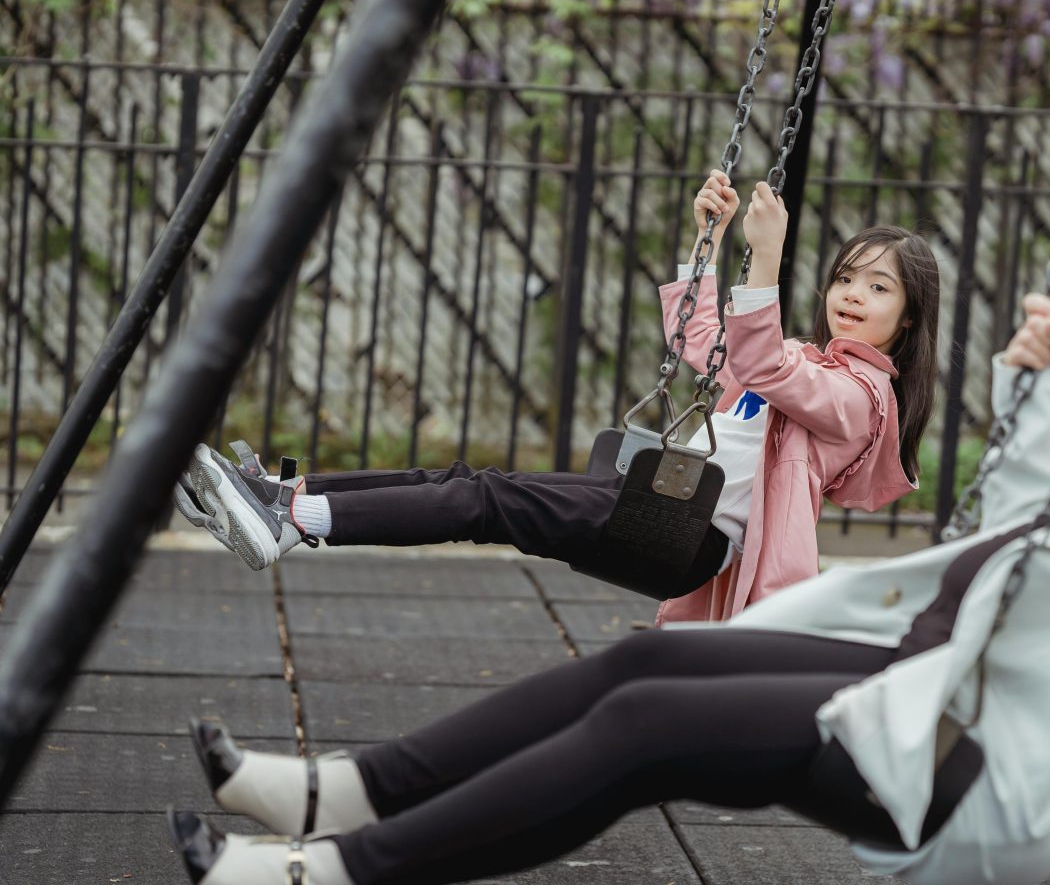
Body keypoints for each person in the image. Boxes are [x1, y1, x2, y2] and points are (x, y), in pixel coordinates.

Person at [168, 296, 1050, 885]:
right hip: (929, 682)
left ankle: (334, 869)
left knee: (649, 734)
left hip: (977, 757)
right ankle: (339, 791)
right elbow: (1021, 543)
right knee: (638, 674)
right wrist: (1049, 397)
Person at [174, 170, 940, 623]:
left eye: (879, 287)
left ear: (907, 321)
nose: (853, 294)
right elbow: (709, 346)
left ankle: (294, 519)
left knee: (486, 501)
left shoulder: (864, 404)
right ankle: (286, 497)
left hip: (688, 537)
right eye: (846, 277)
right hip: (658, 506)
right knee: (465, 483)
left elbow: (766, 367)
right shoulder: (802, 355)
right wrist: (707, 240)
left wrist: (765, 257)